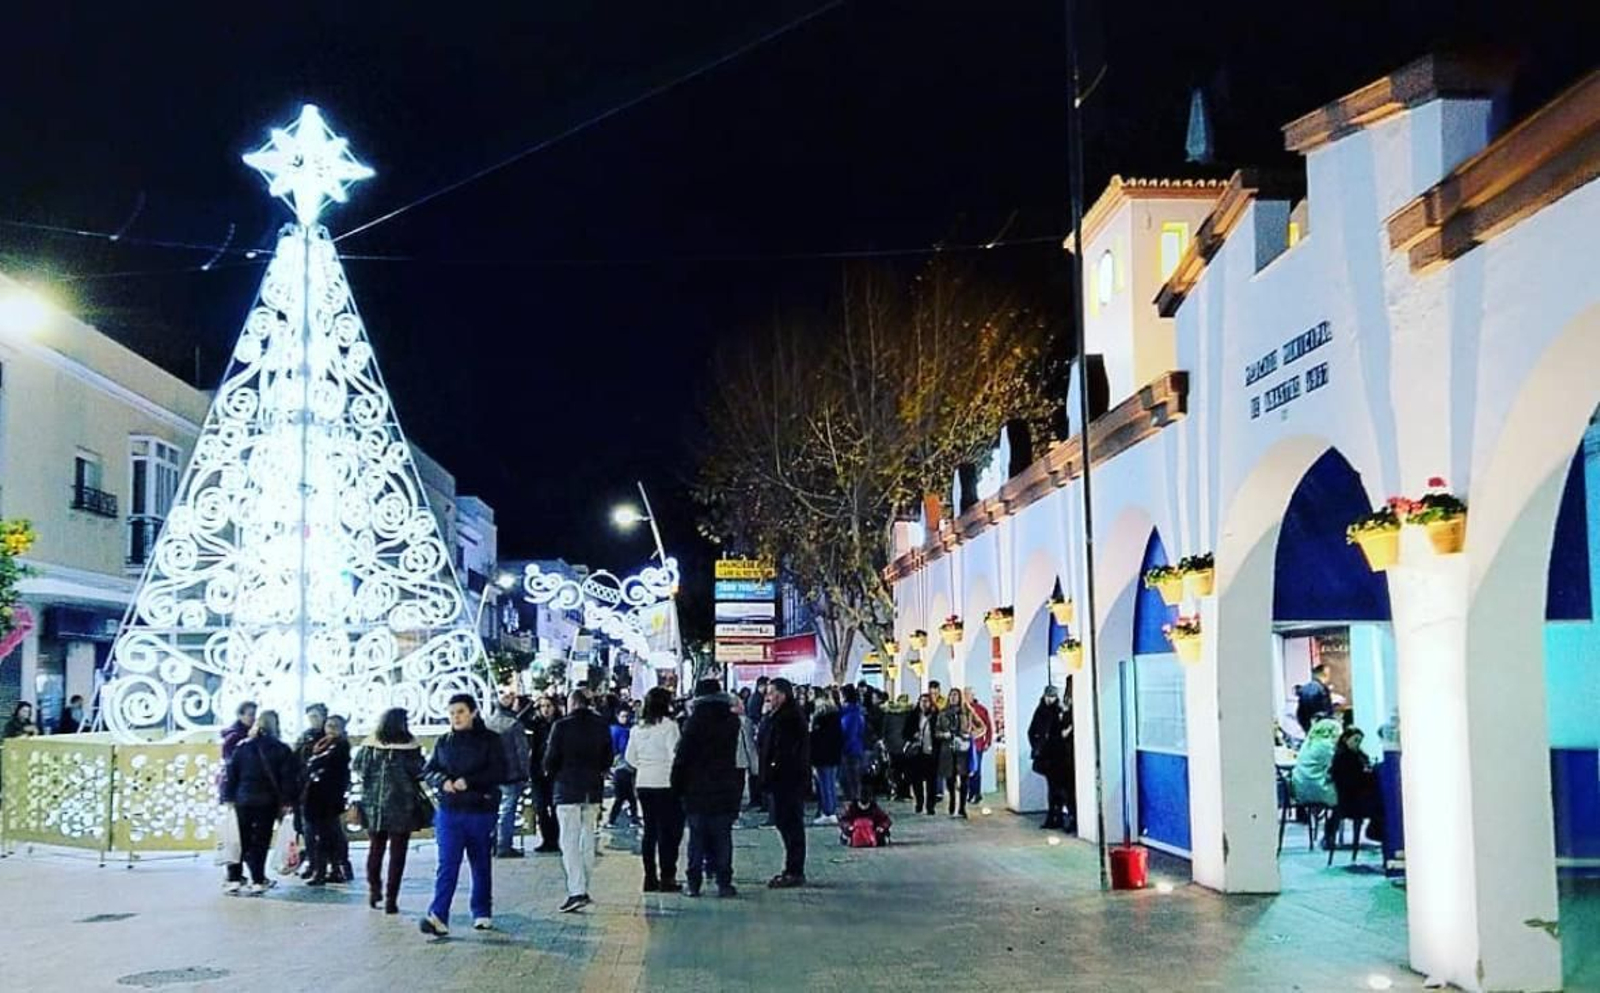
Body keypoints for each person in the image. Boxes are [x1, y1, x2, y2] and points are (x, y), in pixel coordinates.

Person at [419, 693, 506, 937]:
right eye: (452, 713)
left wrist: (470, 782)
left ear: (473, 713)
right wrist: (441, 781)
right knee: (447, 863)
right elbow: (430, 770)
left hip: (480, 810)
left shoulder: (490, 740)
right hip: (450, 811)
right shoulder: (444, 742)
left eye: (460, 712)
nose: (456, 717)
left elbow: (499, 771)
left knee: (480, 863)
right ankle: (438, 915)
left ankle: (481, 911)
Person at [672, 678, 747, 898]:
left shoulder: (693, 723)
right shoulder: (732, 722)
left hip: (696, 789)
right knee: (723, 836)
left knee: (697, 837)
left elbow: (682, 758)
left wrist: (676, 785)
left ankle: (694, 883)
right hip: (725, 786)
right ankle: (724, 882)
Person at [544, 688, 613, 913]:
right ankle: (582, 886)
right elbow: (607, 757)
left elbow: (551, 759)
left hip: (566, 789)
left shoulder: (561, 726)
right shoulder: (601, 725)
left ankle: (577, 891)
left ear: (572, 704)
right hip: (592, 789)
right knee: (587, 838)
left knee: (569, 842)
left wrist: (553, 774)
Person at [354, 707, 427, 914]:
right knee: (398, 854)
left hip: (374, 805)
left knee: (375, 849)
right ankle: (391, 899)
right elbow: (420, 772)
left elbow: (358, 767)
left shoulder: (371, 745)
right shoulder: (410, 746)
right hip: (403, 806)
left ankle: (374, 889)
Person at [223, 710, 299, 896]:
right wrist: (288, 801)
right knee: (261, 841)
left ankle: (234, 878)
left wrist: (229, 798)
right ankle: (258, 879)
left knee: (239, 839)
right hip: (267, 801)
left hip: (242, 800)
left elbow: (231, 774)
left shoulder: (242, 747)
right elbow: (288, 778)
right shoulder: (282, 749)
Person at [626, 686, 683, 892]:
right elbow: (674, 755)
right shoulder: (669, 726)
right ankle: (667, 877)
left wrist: (644, 764)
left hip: (644, 783)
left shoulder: (637, 729)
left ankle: (649, 878)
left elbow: (629, 758)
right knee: (668, 832)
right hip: (666, 783)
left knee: (649, 831)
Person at [762, 678, 810, 888]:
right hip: (784, 780)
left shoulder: (788, 718)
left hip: (787, 780)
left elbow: (784, 751)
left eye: (771, 693)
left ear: (782, 695)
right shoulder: (780, 716)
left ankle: (794, 870)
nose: (768, 697)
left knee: (790, 824)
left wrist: (773, 769)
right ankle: (792, 868)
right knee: (786, 823)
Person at [301, 714, 353, 885]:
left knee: (328, 834)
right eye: (328, 725)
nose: (330, 729)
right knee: (322, 833)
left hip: (329, 797)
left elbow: (326, 765)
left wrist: (313, 763)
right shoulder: (320, 743)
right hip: (315, 795)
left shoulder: (340, 746)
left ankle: (326, 870)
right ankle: (329, 868)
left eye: (335, 726)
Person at [484, 685, 532, 858]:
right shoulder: (514, 724)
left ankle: (490, 845)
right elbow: (521, 752)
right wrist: (525, 773)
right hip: (511, 775)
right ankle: (504, 845)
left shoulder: (487, 723)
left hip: (491, 776)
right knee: (507, 812)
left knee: (493, 811)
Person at [216, 701, 257, 889]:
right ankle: (234, 874)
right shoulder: (236, 738)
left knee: (241, 835)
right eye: (250, 714)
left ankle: (237, 874)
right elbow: (232, 767)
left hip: (240, 792)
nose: (253, 718)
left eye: (254, 714)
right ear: (240, 715)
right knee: (237, 835)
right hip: (237, 792)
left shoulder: (243, 736)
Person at [1329, 726, 1386, 844]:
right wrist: (1368, 774)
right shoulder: (1343, 758)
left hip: (1355, 797)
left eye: (1359, 741)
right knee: (1382, 804)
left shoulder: (1356, 755)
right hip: (1350, 801)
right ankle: (1375, 832)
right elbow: (1351, 782)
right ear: (1346, 739)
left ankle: (1376, 832)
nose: (1357, 744)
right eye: (1355, 740)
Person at [291, 703, 328, 879]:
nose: (313, 721)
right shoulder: (305, 737)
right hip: (304, 790)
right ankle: (312, 863)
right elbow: (295, 760)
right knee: (306, 830)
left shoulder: (329, 738)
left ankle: (328, 865)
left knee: (324, 831)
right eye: (310, 717)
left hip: (323, 792)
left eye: (316, 716)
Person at [1028, 686, 1073, 830]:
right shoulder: (1045, 711)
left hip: (1056, 757)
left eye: (1052, 696)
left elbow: (1035, 731)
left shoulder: (1053, 711)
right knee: (1054, 789)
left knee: (1057, 789)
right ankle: (1054, 817)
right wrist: (1038, 745)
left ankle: (1056, 817)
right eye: (1049, 696)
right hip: (1050, 756)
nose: (1050, 699)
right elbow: (1032, 731)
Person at [528, 695, 561, 853]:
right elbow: (519, 719)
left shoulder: (560, 724)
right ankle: (547, 839)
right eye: (542, 706)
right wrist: (530, 704)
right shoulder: (536, 725)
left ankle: (555, 839)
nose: (546, 709)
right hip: (538, 773)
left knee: (555, 808)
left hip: (556, 773)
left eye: (548, 706)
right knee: (540, 808)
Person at [936, 688, 973, 817]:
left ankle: (962, 807)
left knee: (964, 779)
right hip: (948, 749)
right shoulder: (942, 713)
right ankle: (952, 801)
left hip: (962, 749)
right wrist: (943, 734)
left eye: (956, 695)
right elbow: (937, 731)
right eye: (951, 695)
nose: (953, 698)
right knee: (950, 779)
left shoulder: (966, 712)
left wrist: (969, 735)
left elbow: (979, 727)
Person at [1291, 716, 1341, 810]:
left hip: (1300, 790)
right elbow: (1335, 767)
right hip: (1317, 790)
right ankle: (1334, 823)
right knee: (1346, 792)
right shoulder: (1327, 746)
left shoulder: (1308, 743)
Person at [904, 693, 939, 814]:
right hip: (917, 753)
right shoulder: (913, 716)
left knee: (931, 781)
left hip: (931, 752)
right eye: (922, 701)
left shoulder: (935, 717)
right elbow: (905, 733)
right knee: (916, 780)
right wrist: (913, 735)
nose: (924, 704)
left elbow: (938, 733)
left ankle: (930, 806)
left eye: (927, 701)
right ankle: (919, 802)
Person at [809, 694, 842, 824]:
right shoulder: (836, 719)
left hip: (822, 757)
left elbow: (815, 739)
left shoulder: (820, 720)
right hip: (833, 756)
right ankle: (831, 810)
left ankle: (828, 811)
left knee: (824, 785)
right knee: (831, 785)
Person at [608, 706, 638, 827]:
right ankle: (631, 819)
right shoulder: (620, 731)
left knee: (625, 796)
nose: (625, 719)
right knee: (626, 796)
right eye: (623, 716)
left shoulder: (619, 730)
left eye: (626, 716)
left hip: (623, 766)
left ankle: (614, 820)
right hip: (622, 766)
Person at [838, 685, 868, 805]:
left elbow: (850, 733)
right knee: (852, 780)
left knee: (850, 780)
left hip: (850, 750)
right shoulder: (855, 712)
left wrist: (843, 746)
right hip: (855, 748)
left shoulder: (851, 714)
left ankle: (854, 805)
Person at [966, 690, 993, 803]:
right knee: (967, 770)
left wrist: (988, 741)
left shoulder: (981, 709)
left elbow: (988, 726)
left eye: (968, 695)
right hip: (965, 745)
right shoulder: (962, 710)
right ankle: (970, 793)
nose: (966, 697)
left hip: (977, 745)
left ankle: (976, 793)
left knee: (976, 769)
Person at [1295, 664, 1335, 735]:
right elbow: (1326, 711)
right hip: (1322, 730)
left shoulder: (1304, 689)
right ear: (1324, 674)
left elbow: (1300, 713)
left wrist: (1307, 728)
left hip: (1309, 729)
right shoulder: (1322, 689)